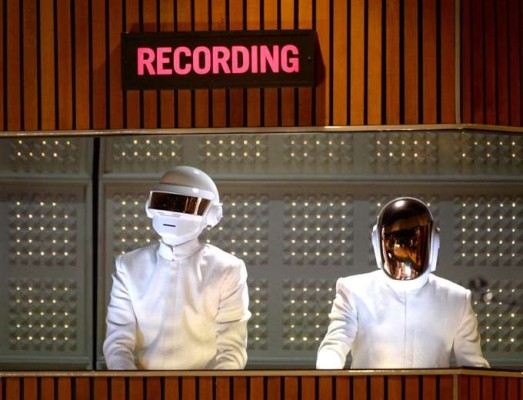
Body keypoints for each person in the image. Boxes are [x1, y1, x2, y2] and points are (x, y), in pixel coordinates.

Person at [103, 166, 251, 370]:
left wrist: (215, 386)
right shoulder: (128, 266)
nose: (171, 213)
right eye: (164, 202)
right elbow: (117, 342)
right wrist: (130, 384)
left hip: (205, 386)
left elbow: (232, 348)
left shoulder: (226, 269)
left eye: (184, 205)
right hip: (142, 385)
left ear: (212, 214)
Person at [316, 197, 489, 369]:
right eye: (398, 241)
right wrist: (327, 375)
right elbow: (333, 346)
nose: (406, 250)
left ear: (432, 242)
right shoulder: (354, 291)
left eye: (413, 242)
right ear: (378, 244)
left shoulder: (457, 299)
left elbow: (474, 370)